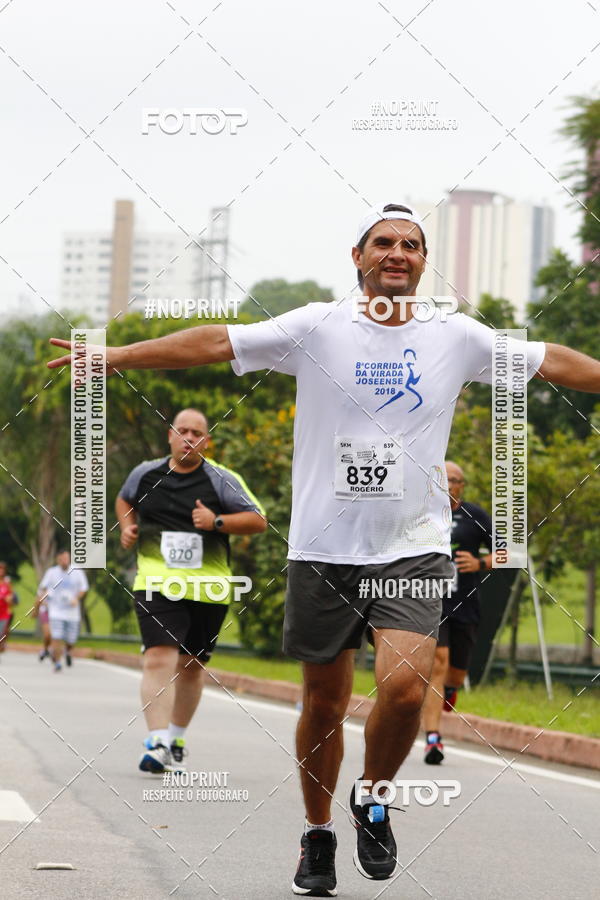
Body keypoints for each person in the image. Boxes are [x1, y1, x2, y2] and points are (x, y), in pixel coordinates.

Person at [47, 201, 600, 895]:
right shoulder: (315, 326)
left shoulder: (457, 336)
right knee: (324, 705)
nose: (398, 253)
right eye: (384, 242)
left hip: (413, 546)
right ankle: (316, 833)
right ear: (358, 256)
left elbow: (553, 362)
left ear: (424, 263)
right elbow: (218, 341)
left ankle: (373, 797)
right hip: (323, 550)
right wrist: (118, 354)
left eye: (411, 244)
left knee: (404, 686)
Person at [116, 408, 267, 775]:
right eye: (182, 430)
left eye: (196, 433)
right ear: (169, 435)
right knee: (158, 657)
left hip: (207, 588)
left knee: (190, 665)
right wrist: (127, 526)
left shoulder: (220, 480)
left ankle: (176, 737)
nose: (188, 438)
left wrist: (215, 521)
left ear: (206, 440)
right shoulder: (145, 473)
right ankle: (157, 741)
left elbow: (259, 520)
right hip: (155, 581)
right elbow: (125, 499)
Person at [421, 460, 492, 764]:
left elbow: (511, 552)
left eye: (454, 480)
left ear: (462, 486)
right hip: (432, 602)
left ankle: (451, 689)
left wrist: (481, 564)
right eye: (443, 479)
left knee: (456, 672)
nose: (448, 485)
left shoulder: (475, 516)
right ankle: (433, 740)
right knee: (438, 664)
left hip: (465, 601)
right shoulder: (422, 513)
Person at [33, 550, 88, 672]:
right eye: (62, 559)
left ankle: (67, 651)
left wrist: (76, 598)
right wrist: (40, 602)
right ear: (58, 560)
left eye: (67, 558)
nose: (65, 561)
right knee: (55, 636)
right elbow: (42, 589)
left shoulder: (77, 572)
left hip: (72, 612)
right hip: (55, 610)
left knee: (71, 639)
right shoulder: (52, 572)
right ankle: (57, 662)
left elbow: (84, 588)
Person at [0, 562, 14, 658]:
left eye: (2, 569)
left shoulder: (7, 584)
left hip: (4, 614)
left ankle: (2, 646)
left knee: (2, 634)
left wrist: (9, 599)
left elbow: (11, 598)